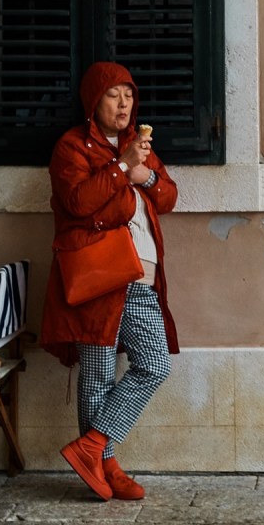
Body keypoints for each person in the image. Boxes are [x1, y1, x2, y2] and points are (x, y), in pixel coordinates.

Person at [41, 61, 179, 501]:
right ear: (93, 101)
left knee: (153, 364)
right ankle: (104, 465)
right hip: (101, 275)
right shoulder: (72, 147)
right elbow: (78, 202)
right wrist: (121, 167)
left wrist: (146, 174)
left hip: (141, 276)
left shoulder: (138, 145)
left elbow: (169, 196)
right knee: (98, 373)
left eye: (129, 94)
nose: (124, 104)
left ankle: (93, 446)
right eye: (113, 95)